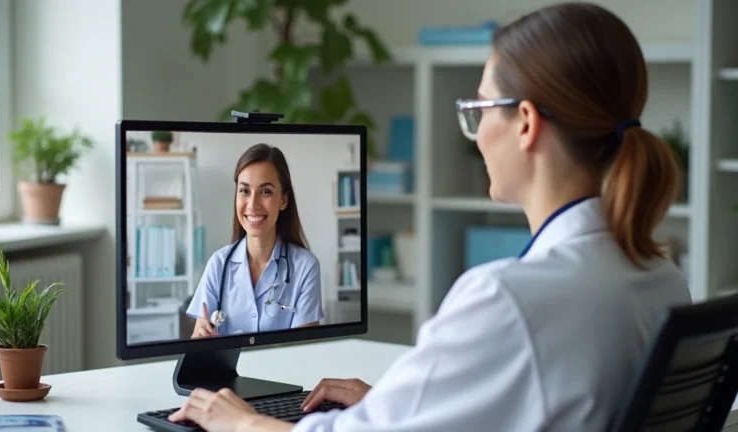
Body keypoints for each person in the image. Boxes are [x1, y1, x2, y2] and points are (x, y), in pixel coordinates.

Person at [170, 2, 692, 431]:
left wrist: (243, 424)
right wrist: (405, 402)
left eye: (480, 110)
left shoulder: (508, 298)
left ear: (525, 123)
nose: (477, 131)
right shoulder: (660, 279)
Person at [185, 143, 324, 337]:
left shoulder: (305, 267)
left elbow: (304, 350)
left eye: (265, 191)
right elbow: (197, 343)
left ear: (283, 200)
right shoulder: (218, 264)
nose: (253, 204)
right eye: (244, 191)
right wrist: (201, 340)